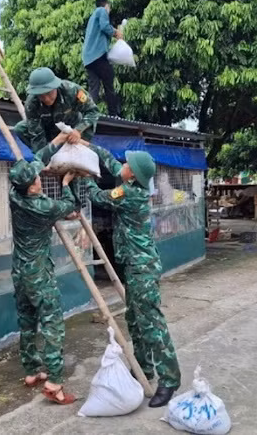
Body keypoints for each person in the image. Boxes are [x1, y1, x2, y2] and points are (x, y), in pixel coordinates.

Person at [76, 140, 181, 408]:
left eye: (127, 164)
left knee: (151, 324)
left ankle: (169, 379)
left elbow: (97, 196)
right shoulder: (130, 183)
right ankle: (144, 371)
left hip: (142, 267)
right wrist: (87, 145)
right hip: (134, 266)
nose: (121, 165)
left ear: (132, 173)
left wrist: (83, 174)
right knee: (135, 320)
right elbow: (111, 162)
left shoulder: (129, 194)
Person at [9, 132, 79, 405]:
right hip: (38, 273)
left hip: (19, 271)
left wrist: (58, 140)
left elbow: (35, 162)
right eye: (38, 178)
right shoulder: (43, 207)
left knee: (27, 322)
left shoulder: (15, 194)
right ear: (35, 187)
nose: (40, 177)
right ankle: (54, 381)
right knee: (52, 325)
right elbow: (69, 206)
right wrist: (66, 182)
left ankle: (31, 371)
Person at [23, 67, 101, 150]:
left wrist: (78, 130)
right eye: (41, 95)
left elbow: (93, 111)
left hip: (74, 127)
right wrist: (44, 155)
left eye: (49, 93)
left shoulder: (72, 90)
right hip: (50, 130)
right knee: (21, 128)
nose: (46, 99)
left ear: (55, 87)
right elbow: (37, 136)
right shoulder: (31, 104)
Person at [83, 0, 122, 117]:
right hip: (97, 56)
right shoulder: (101, 11)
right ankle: (113, 114)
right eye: (109, 8)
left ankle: (89, 113)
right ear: (106, 6)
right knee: (109, 82)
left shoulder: (92, 18)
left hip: (88, 59)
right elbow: (105, 26)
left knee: (94, 87)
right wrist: (117, 33)